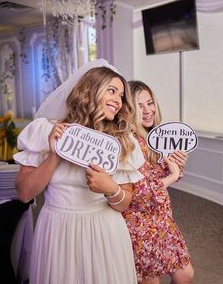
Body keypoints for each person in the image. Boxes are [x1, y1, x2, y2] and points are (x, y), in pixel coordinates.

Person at [14, 59, 144, 284]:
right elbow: (25, 193)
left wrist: (110, 188)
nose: (118, 100)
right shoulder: (46, 130)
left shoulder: (122, 142)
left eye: (121, 96)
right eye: (112, 91)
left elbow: (124, 203)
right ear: (90, 90)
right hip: (57, 230)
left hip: (104, 231)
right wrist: (55, 154)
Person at [122, 80, 194, 284]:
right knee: (151, 281)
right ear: (129, 110)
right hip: (139, 223)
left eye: (150, 103)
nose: (148, 110)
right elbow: (139, 192)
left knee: (185, 275)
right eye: (140, 106)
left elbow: (160, 175)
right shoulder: (129, 141)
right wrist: (171, 176)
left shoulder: (156, 136)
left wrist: (177, 167)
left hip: (162, 219)